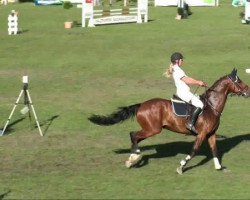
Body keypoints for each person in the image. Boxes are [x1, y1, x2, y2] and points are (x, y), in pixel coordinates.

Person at [164, 52, 207, 134]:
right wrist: (198, 82)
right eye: (181, 59)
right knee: (200, 104)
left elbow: (187, 78)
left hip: (184, 92)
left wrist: (198, 81)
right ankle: (190, 124)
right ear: (177, 61)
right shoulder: (177, 70)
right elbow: (187, 80)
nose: (182, 61)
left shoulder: (176, 69)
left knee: (197, 99)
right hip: (184, 93)